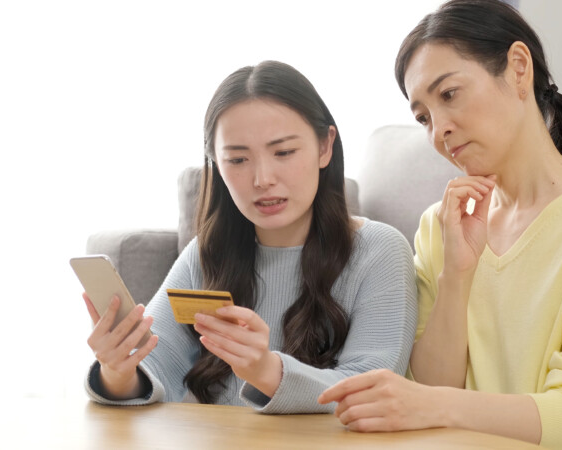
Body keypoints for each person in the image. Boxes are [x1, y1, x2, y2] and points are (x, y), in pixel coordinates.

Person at [318, 1, 562, 448]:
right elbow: (431, 383)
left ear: (518, 69)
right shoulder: (439, 226)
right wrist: (457, 274)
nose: (438, 131)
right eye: (423, 117)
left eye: (449, 94)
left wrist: (431, 405)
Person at [82, 60, 418, 412]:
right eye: (238, 160)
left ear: (324, 147)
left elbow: (374, 387)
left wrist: (267, 371)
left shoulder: (379, 251)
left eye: (284, 152)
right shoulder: (207, 254)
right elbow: (154, 365)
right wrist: (117, 369)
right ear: (216, 164)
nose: (262, 179)